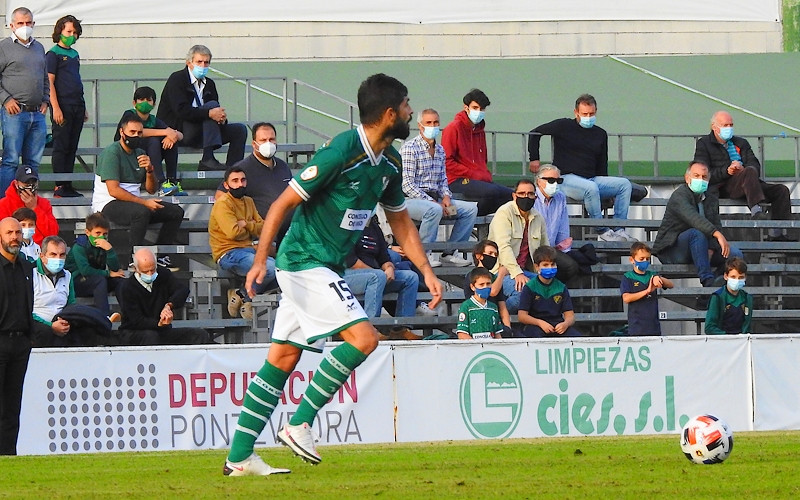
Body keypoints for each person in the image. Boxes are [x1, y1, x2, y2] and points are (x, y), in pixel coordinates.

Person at [224, 73, 442, 476]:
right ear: (390, 113)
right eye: (409, 105)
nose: (413, 112)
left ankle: (238, 458)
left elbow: (401, 223)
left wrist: (426, 270)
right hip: (304, 260)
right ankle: (300, 423)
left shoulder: (390, 163)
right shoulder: (341, 152)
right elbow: (281, 205)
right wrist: (259, 260)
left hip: (325, 265)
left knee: (284, 357)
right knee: (365, 338)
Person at [528, 94, 636, 242]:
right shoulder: (564, 126)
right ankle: (602, 230)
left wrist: (606, 187)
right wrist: (534, 158)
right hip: (566, 178)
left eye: (591, 113)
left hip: (591, 178)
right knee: (591, 188)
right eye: (585, 114)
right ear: (576, 112)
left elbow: (602, 162)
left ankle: (619, 228)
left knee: (624, 185)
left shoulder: (600, 133)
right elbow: (535, 132)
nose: (588, 117)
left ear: (596, 111)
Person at [92, 113, 185, 270]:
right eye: (132, 132)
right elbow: (113, 190)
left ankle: (162, 257)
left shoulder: (141, 153)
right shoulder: (112, 153)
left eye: (139, 133)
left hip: (134, 203)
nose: (136, 136)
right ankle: (133, 258)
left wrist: (150, 171)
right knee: (141, 212)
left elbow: (151, 189)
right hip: (107, 204)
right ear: (122, 132)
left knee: (175, 212)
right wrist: (144, 203)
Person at [694, 110, 793, 241]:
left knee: (781, 190)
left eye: (731, 125)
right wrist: (727, 171)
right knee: (748, 172)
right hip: (724, 185)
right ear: (714, 127)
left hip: (749, 182)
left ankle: (777, 234)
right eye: (725, 125)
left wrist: (743, 169)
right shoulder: (704, 144)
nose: (729, 128)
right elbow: (703, 171)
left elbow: (755, 165)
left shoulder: (741, 143)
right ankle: (755, 210)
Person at [401, 107, 477, 267]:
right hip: (410, 200)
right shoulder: (410, 148)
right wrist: (432, 202)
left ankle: (450, 252)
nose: (432, 126)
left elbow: (443, 180)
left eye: (435, 122)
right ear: (420, 125)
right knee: (433, 210)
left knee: (470, 209)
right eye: (428, 122)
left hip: (436, 199)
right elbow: (407, 185)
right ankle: (423, 255)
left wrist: (447, 197)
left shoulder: (440, 150)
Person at [157, 44, 247, 171]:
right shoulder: (177, 79)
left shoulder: (209, 84)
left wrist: (221, 119)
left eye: (206, 63)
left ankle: (234, 172)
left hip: (204, 133)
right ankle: (208, 159)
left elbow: (214, 112)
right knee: (211, 107)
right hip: (180, 131)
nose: (203, 66)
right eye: (199, 62)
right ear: (189, 62)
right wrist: (209, 114)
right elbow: (181, 111)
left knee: (240, 130)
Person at [653, 162, 743, 286]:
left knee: (735, 255)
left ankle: (713, 287)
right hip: (673, 250)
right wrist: (716, 234)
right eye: (696, 176)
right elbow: (694, 219)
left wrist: (711, 247)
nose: (700, 179)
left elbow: (716, 222)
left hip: (702, 248)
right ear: (687, 178)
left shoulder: (711, 197)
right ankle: (707, 281)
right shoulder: (679, 196)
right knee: (696, 233)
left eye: (704, 177)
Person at [209, 166, 275, 320]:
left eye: (243, 180)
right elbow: (233, 233)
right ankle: (247, 298)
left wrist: (245, 224)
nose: (240, 184)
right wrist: (252, 226)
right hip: (228, 253)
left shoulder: (248, 201)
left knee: (283, 270)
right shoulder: (223, 203)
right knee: (269, 268)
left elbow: (264, 228)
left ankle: (242, 295)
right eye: (235, 181)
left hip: (248, 250)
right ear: (226, 185)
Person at [214, 122, 293, 244]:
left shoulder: (283, 166)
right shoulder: (242, 169)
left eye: (271, 139)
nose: (268, 143)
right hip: (261, 237)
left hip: (288, 234)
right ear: (254, 144)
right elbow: (221, 197)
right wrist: (247, 224)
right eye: (263, 140)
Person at [0, 7, 49, 195]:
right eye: (20, 23)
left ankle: (29, 200)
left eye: (28, 23)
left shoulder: (39, 48)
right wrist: (6, 100)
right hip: (14, 113)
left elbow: (45, 78)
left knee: (33, 162)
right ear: (12, 25)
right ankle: (5, 202)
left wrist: (45, 101)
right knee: (11, 160)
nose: (25, 26)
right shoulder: (4, 47)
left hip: (37, 114)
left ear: (34, 24)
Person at [117, 248, 211, 346]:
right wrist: (159, 323)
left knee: (199, 335)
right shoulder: (126, 287)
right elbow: (136, 320)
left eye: (153, 270)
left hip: (162, 331)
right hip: (134, 333)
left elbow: (182, 289)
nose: (150, 274)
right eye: (145, 271)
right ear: (136, 269)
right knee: (151, 336)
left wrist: (169, 305)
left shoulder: (163, 274)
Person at [441, 88, 513, 215]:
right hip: (456, 180)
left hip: (478, 180)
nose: (479, 112)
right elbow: (446, 161)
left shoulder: (480, 131)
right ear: (466, 107)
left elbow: (483, 159)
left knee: (512, 195)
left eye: (482, 109)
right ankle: (471, 216)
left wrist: (484, 173)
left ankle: (476, 219)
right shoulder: (453, 128)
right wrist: (475, 174)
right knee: (492, 193)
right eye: (475, 107)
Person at [343, 215, 424, 320]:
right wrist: (379, 273)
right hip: (347, 275)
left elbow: (384, 257)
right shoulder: (347, 226)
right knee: (377, 277)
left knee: (411, 277)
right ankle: (372, 327)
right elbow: (351, 262)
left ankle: (402, 327)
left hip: (376, 276)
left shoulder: (374, 226)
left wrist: (389, 268)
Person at [487, 179, 548, 313]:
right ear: (514, 196)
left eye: (530, 194)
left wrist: (545, 271)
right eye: (522, 193)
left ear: (535, 197)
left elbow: (544, 250)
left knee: (551, 291)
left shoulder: (538, 218)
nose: (526, 197)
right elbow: (504, 247)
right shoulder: (504, 213)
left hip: (527, 271)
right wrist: (517, 273)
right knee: (522, 294)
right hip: (500, 271)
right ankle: (495, 317)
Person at [0, 216, 34, 455]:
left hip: (20, 343)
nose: (14, 237)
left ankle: (9, 457)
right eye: (9, 232)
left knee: (13, 405)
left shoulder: (25, 266)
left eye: (18, 232)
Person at [115, 86, 185, 196]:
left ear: (154, 104)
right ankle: (160, 183)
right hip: (130, 152)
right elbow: (140, 132)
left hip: (149, 155)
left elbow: (179, 135)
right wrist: (165, 132)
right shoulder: (129, 115)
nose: (145, 103)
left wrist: (173, 136)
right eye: (141, 100)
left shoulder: (153, 119)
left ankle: (171, 181)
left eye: (148, 100)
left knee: (171, 141)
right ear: (134, 102)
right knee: (154, 140)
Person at [46, 14, 87, 198]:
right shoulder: (53, 54)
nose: (72, 35)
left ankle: (68, 184)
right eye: (69, 31)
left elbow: (77, 81)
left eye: (75, 32)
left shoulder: (75, 54)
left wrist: (83, 105)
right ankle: (59, 185)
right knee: (61, 146)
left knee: (72, 146)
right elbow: (50, 83)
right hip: (62, 105)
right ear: (60, 31)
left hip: (77, 105)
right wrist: (56, 107)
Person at [64, 212, 125, 317]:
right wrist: (108, 273)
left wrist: (109, 250)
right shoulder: (79, 247)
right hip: (76, 282)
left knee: (120, 281)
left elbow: (115, 269)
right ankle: (104, 316)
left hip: (95, 281)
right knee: (99, 280)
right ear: (88, 232)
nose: (101, 237)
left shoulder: (105, 245)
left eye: (105, 234)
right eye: (98, 233)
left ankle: (128, 314)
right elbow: (85, 271)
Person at [516, 245, 581, 338]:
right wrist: (540, 323)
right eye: (545, 265)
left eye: (553, 264)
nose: (550, 267)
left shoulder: (561, 287)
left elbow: (570, 316)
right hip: (535, 326)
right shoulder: (530, 287)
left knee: (578, 338)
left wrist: (565, 324)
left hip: (557, 325)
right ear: (537, 267)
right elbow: (522, 316)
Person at [533, 164, 580, 283]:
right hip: (533, 248)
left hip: (551, 248)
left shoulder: (560, 197)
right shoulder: (531, 197)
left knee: (572, 266)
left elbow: (563, 228)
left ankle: (556, 295)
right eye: (550, 180)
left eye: (558, 180)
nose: (554, 184)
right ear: (538, 181)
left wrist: (564, 248)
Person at [621, 242, 674, 336]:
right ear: (632, 260)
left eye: (647, 259)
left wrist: (658, 278)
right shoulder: (628, 277)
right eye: (641, 259)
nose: (645, 261)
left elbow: (670, 285)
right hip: (636, 328)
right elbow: (626, 298)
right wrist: (647, 291)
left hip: (654, 327)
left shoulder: (651, 274)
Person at [30, 235, 75, 346]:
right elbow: (26, 310)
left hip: (62, 322)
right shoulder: (30, 274)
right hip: (37, 326)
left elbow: (71, 304)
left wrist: (64, 322)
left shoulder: (68, 276)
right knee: (45, 333)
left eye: (62, 255)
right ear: (42, 256)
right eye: (53, 255)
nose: (58, 259)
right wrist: (50, 326)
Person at [0, 164, 59, 245]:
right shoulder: (4, 204)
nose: (30, 186)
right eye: (26, 183)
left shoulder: (44, 203)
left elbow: (53, 233)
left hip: (40, 251)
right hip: (12, 249)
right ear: (16, 184)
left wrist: (35, 208)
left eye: (33, 182)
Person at [463, 240, 511, 333]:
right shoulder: (471, 276)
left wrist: (508, 328)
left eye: (495, 254)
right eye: (490, 253)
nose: (493, 257)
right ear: (479, 256)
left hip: (495, 323)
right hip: (477, 322)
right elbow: (492, 292)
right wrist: (501, 274)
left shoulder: (494, 277)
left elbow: (502, 306)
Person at [705, 257, 753, 335]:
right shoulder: (717, 297)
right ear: (726, 276)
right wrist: (727, 337)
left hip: (741, 343)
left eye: (741, 277)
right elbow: (709, 327)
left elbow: (747, 326)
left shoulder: (747, 298)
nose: (737, 280)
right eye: (733, 277)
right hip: (722, 342)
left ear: (745, 278)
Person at [456, 267, 504, 340]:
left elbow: (497, 334)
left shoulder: (493, 307)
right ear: (473, 287)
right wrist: (477, 347)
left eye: (488, 284)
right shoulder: (466, 306)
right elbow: (462, 334)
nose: (485, 287)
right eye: (481, 284)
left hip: (491, 349)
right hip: (474, 349)